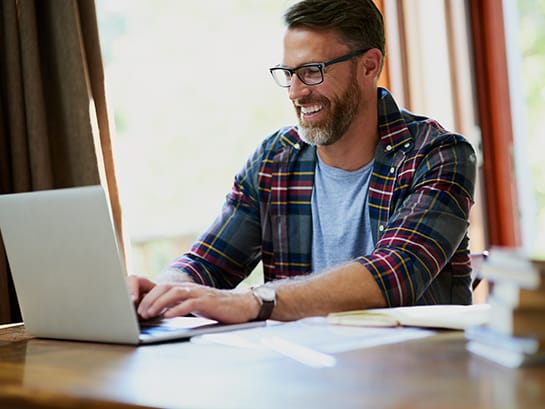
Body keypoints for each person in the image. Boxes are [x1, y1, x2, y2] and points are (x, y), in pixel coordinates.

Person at [129, 0, 477, 324]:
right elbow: (208, 262)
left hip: (418, 377)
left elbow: (393, 273)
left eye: (312, 71)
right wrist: (162, 292)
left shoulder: (439, 156)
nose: (295, 92)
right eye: (289, 73)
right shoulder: (275, 160)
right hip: (304, 377)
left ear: (369, 66)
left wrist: (257, 301)